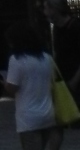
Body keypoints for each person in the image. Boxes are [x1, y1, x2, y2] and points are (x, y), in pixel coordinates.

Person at [4, 20, 63, 150]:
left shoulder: (16, 59)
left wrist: (4, 83)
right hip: (48, 113)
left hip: (28, 116)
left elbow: (12, 88)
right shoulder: (47, 58)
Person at [45, 0, 80, 108]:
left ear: (55, 8)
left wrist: (75, 81)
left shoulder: (75, 27)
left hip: (74, 77)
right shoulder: (56, 29)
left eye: (47, 8)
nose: (45, 12)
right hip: (64, 78)